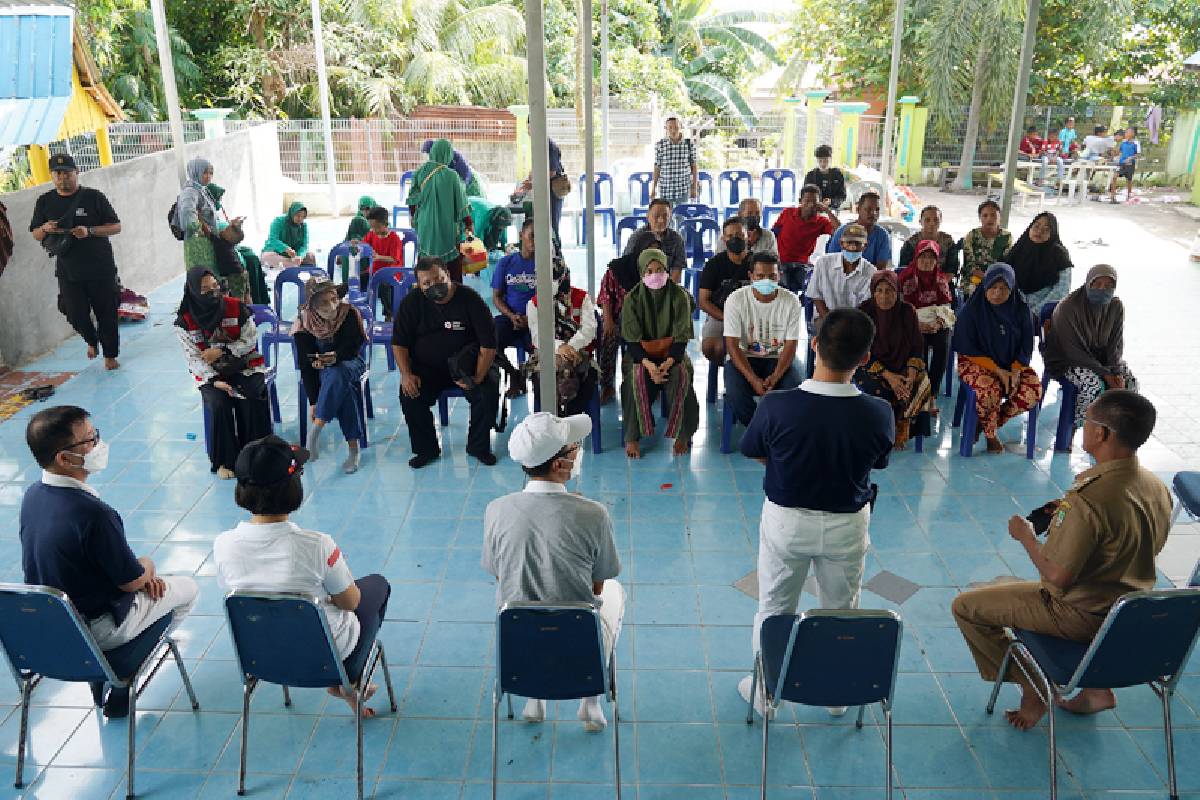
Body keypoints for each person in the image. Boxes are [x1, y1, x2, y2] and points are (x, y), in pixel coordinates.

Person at [951, 390, 1171, 730]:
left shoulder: (1091, 499)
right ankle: (1097, 689)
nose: (1082, 427)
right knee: (997, 586)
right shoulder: (1155, 486)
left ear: (1101, 434)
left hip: (1080, 614)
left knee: (967, 606)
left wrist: (1026, 536)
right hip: (1128, 612)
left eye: (1086, 421)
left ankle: (1031, 684)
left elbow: (1058, 577)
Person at [737, 308, 894, 716]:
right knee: (841, 611)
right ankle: (836, 694)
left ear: (815, 345)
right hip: (846, 526)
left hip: (787, 523)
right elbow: (877, 462)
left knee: (774, 608)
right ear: (864, 358)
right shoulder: (879, 412)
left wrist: (787, 465)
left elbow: (752, 449)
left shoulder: (777, 406)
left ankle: (766, 693)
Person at [20, 405, 198, 718]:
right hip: (96, 628)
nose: (98, 445)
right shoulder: (94, 514)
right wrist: (147, 567)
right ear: (64, 458)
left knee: (149, 586)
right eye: (89, 441)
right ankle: (122, 676)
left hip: (48, 628)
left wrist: (140, 579)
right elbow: (131, 580)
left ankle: (110, 669)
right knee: (187, 589)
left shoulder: (33, 495)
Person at [214, 435, 391, 716]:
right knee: (377, 586)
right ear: (292, 487)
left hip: (262, 656)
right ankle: (349, 681)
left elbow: (250, 595)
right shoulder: (317, 545)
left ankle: (347, 686)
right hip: (327, 656)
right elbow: (350, 603)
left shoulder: (223, 544)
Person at [483, 412, 624, 731]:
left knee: (520, 601)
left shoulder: (496, 510)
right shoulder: (593, 515)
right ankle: (590, 704)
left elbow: (498, 573)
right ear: (560, 465)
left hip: (518, 644)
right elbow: (598, 586)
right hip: (577, 639)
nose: (578, 450)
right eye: (574, 446)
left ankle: (535, 697)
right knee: (613, 594)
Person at [392, 256, 499, 468]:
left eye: (438, 279)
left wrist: (477, 376)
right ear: (419, 286)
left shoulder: (470, 299)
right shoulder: (412, 303)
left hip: (468, 367)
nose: (434, 286)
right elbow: (399, 343)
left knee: (487, 390)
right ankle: (427, 449)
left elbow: (489, 344)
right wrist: (406, 374)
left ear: (447, 275)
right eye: (427, 283)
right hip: (428, 369)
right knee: (409, 395)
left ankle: (478, 447)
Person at [174, 268, 273, 478]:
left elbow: (250, 340)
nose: (212, 293)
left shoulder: (236, 307)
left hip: (244, 365)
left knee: (252, 395)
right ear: (192, 292)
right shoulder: (184, 321)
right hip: (210, 374)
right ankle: (225, 461)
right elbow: (193, 358)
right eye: (205, 289)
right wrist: (215, 380)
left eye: (214, 286)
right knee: (219, 403)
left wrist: (223, 350)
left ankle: (256, 454)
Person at [28, 153, 122, 370]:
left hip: (100, 266)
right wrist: (45, 228)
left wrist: (89, 231)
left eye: (67, 173)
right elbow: (35, 233)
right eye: (57, 174)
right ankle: (91, 340)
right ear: (52, 176)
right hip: (68, 269)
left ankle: (110, 355)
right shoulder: (44, 201)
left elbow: (116, 226)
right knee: (73, 311)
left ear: (76, 172)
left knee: (106, 312)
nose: (63, 178)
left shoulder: (94, 197)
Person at [952, 263, 1043, 454]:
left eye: (1003, 288)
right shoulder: (972, 310)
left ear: (1012, 289)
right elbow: (966, 347)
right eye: (993, 287)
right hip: (975, 362)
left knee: (1033, 390)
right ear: (985, 287)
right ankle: (991, 435)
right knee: (988, 391)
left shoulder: (1021, 311)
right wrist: (998, 370)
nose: (997, 293)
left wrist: (1015, 371)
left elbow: (1026, 346)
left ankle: (985, 425)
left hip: (1012, 364)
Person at [620, 248, 699, 458]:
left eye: (660, 269)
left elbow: (681, 338)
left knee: (681, 377)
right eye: (649, 271)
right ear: (642, 274)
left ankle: (682, 433)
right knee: (634, 379)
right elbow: (632, 342)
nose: (655, 275)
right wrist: (649, 365)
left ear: (666, 270)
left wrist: (668, 362)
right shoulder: (633, 298)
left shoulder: (679, 296)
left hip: (673, 355)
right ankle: (632, 436)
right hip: (641, 357)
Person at [1043, 264, 1138, 434]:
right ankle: (1078, 428)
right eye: (1097, 284)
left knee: (1130, 384)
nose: (1102, 290)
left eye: (1108, 286)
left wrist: (1115, 371)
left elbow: (1115, 344)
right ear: (1088, 283)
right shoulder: (1069, 307)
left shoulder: (1115, 307)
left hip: (1101, 359)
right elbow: (1072, 351)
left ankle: (1113, 432)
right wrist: (1105, 374)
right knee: (1092, 385)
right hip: (1067, 360)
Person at [292, 277, 368, 474]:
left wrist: (335, 356)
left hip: (350, 362)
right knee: (343, 387)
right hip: (323, 372)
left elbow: (353, 347)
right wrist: (314, 400)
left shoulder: (348, 313)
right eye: (324, 302)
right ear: (312, 304)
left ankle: (315, 430)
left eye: (333, 298)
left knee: (338, 372)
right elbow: (305, 364)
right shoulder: (303, 322)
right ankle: (354, 449)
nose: (332, 305)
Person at [722, 253, 802, 426]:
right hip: (744, 358)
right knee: (736, 394)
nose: (766, 281)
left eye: (772, 276)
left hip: (777, 359)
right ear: (750, 276)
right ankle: (758, 430)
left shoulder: (792, 301)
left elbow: (791, 345)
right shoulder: (736, 300)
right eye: (760, 276)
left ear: (779, 275)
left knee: (794, 392)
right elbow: (732, 346)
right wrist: (753, 379)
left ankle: (775, 429)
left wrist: (776, 376)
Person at [856, 271, 931, 449]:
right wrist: (889, 375)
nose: (884, 296)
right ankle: (881, 429)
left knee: (921, 383)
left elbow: (916, 346)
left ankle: (903, 423)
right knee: (875, 388)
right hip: (870, 365)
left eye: (889, 291)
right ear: (873, 292)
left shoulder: (907, 311)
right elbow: (860, 351)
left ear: (897, 292)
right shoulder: (864, 312)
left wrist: (911, 373)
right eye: (879, 291)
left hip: (903, 364)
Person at [527, 259, 599, 416]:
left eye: (554, 277)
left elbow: (589, 329)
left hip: (580, 353)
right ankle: (554, 422)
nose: (549, 282)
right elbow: (537, 336)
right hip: (547, 353)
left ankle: (570, 426)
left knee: (588, 377)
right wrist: (560, 346)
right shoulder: (534, 304)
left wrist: (571, 346)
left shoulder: (581, 298)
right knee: (541, 378)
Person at [899, 240, 955, 413]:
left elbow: (946, 306)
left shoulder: (940, 279)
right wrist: (918, 325)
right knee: (919, 346)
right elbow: (900, 309)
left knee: (943, 344)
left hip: (935, 323)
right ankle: (919, 392)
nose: (927, 262)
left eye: (931, 258)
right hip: (912, 322)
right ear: (916, 257)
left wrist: (938, 323)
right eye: (923, 257)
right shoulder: (905, 278)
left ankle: (932, 396)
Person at [407, 139, 473, 282]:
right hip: (447, 228)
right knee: (452, 265)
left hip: (425, 227)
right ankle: (452, 293)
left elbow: (412, 200)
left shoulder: (419, 173)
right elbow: (462, 205)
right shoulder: (452, 176)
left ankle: (425, 289)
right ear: (448, 154)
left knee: (426, 259)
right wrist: (469, 224)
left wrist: (414, 217)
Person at [698, 217, 753, 366]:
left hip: (752, 317)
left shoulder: (757, 262)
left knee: (749, 350)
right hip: (721, 315)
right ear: (724, 238)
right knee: (712, 347)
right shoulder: (714, 264)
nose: (735, 239)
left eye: (740, 235)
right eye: (730, 236)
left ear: (747, 235)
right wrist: (726, 318)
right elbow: (703, 301)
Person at [491, 218, 538, 393]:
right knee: (488, 342)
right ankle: (513, 374)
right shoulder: (506, 263)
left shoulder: (548, 264)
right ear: (521, 236)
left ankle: (531, 378)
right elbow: (496, 297)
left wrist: (531, 318)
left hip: (537, 321)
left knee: (546, 350)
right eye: (531, 236)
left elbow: (554, 299)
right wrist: (512, 316)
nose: (535, 241)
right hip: (510, 318)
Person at [207, 183, 269, 305]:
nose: (219, 200)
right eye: (217, 197)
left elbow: (219, 231)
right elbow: (216, 230)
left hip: (236, 269)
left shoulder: (222, 238)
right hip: (238, 270)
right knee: (245, 291)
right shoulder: (211, 218)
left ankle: (243, 311)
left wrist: (233, 225)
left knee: (239, 296)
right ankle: (250, 310)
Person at [1005, 211, 1073, 318]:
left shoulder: (1059, 254)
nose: (1039, 231)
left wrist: (1035, 312)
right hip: (1013, 305)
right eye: (1036, 226)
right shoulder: (1019, 249)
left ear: (1053, 233)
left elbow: (1061, 290)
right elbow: (1005, 279)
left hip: (1044, 312)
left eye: (1046, 229)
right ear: (1030, 228)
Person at [772, 183, 837, 292]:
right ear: (800, 201)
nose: (811, 205)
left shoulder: (821, 221)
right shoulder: (788, 213)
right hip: (780, 261)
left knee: (813, 284)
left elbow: (840, 231)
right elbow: (774, 233)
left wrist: (827, 210)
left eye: (814, 202)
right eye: (807, 201)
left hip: (802, 264)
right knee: (783, 288)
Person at [806, 223, 875, 322]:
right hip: (824, 318)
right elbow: (816, 296)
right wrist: (829, 321)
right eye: (849, 243)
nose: (853, 247)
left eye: (858, 243)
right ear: (841, 243)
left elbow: (864, 306)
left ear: (865, 246)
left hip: (854, 321)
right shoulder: (823, 263)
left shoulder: (871, 272)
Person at [597, 248, 640, 405]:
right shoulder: (618, 269)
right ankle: (607, 385)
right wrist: (608, 320)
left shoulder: (655, 271)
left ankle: (644, 383)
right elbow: (605, 295)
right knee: (607, 336)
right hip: (616, 317)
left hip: (641, 321)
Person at [623, 198, 686, 284]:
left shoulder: (676, 239)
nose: (661, 220)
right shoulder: (637, 237)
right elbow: (627, 267)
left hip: (667, 285)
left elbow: (677, 269)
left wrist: (668, 291)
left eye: (665, 216)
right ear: (648, 216)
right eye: (656, 216)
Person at [957, 199, 1012, 298]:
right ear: (980, 218)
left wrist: (993, 278)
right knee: (972, 289)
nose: (989, 219)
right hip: (974, 277)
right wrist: (985, 277)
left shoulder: (1006, 237)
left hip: (997, 277)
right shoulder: (972, 235)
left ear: (1000, 217)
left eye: (993, 215)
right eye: (985, 215)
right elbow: (969, 263)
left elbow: (1006, 262)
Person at [827, 192, 891, 270]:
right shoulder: (842, 231)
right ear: (858, 210)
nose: (873, 213)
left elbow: (880, 268)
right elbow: (831, 262)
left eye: (877, 210)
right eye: (868, 209)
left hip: (869, 279)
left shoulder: (883, 236)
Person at [361, 207, 405, 317]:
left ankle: (389, 314)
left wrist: (379, 257)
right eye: (371, 227)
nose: (373, 230)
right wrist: (357, 244)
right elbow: (363, 244)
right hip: (375, 270)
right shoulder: (372, 234)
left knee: (384, 287)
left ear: (384, 223)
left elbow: (394, 259)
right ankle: (362, 307)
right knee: (360, 278)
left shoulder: (394, 238)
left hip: (391, 272)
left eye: (376, 227)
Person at [650, 115, 699, 208]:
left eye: (676, 127)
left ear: (680, 127)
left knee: (682, 219)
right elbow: (657, 167)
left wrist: (694, 188)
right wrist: (653, 188)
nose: (673, 130)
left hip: (683, 189)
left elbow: (694, 166)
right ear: (666, 129)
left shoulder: (689, 144)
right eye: (670, 128)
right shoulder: (660, 145)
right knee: (666, 219)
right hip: (665, 189)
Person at [897, 205, 958, 275]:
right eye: (927, 220)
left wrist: (940, 284)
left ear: (940, 221)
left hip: (943, 282)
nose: (932, 223)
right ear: (920, 222)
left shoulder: (948, 241)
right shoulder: (910, 243)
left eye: (936, 220)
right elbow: (904, 269)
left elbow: (952, 270)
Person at [261, 201, 316, 268]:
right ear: (292, 213)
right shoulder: (278, 221)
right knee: (266, 258)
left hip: (294, 255)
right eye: (298, 215)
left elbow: (304, 245)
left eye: (303, 216)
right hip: (276, 252)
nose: (300, 219)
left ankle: (293, 265)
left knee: (311, 256)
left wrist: (300, 256)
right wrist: (286, 249)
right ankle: (293, 266)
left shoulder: (303, 226)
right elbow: (273, 239)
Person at [339, 195, 379, 284]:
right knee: (348, 253)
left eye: (368, 209)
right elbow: (349, 236)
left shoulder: (380, 217)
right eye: (362, 209)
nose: (365, 212)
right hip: (359, 248)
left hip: (373, 249)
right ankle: (348, 285)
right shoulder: (357, 219)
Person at [802, 144, 847, 211]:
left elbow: (842, 196)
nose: (823, 164)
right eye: (820, 161)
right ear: (816, 160)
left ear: (830, 159)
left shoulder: (837, 175)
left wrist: (831, 201)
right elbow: (804, 196)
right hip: (813, 210)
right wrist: (816, 203)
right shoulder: (810, 176)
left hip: (832, 210)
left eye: (826, 160)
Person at [1108, 127, 1140, 203]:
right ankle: (1113, 197)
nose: (1125, 134)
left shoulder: (1136, 143)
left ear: (1132, 134)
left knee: (1129, 180)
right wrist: (1112, 151)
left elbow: (1138, 155)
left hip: (1130, 164)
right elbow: (1117, 153)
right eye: (1125, 133)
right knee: (1115, 176)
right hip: (1121, 163)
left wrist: (1130, 158)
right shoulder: (1123, 143)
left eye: (1127, 132)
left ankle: (1129, 197)